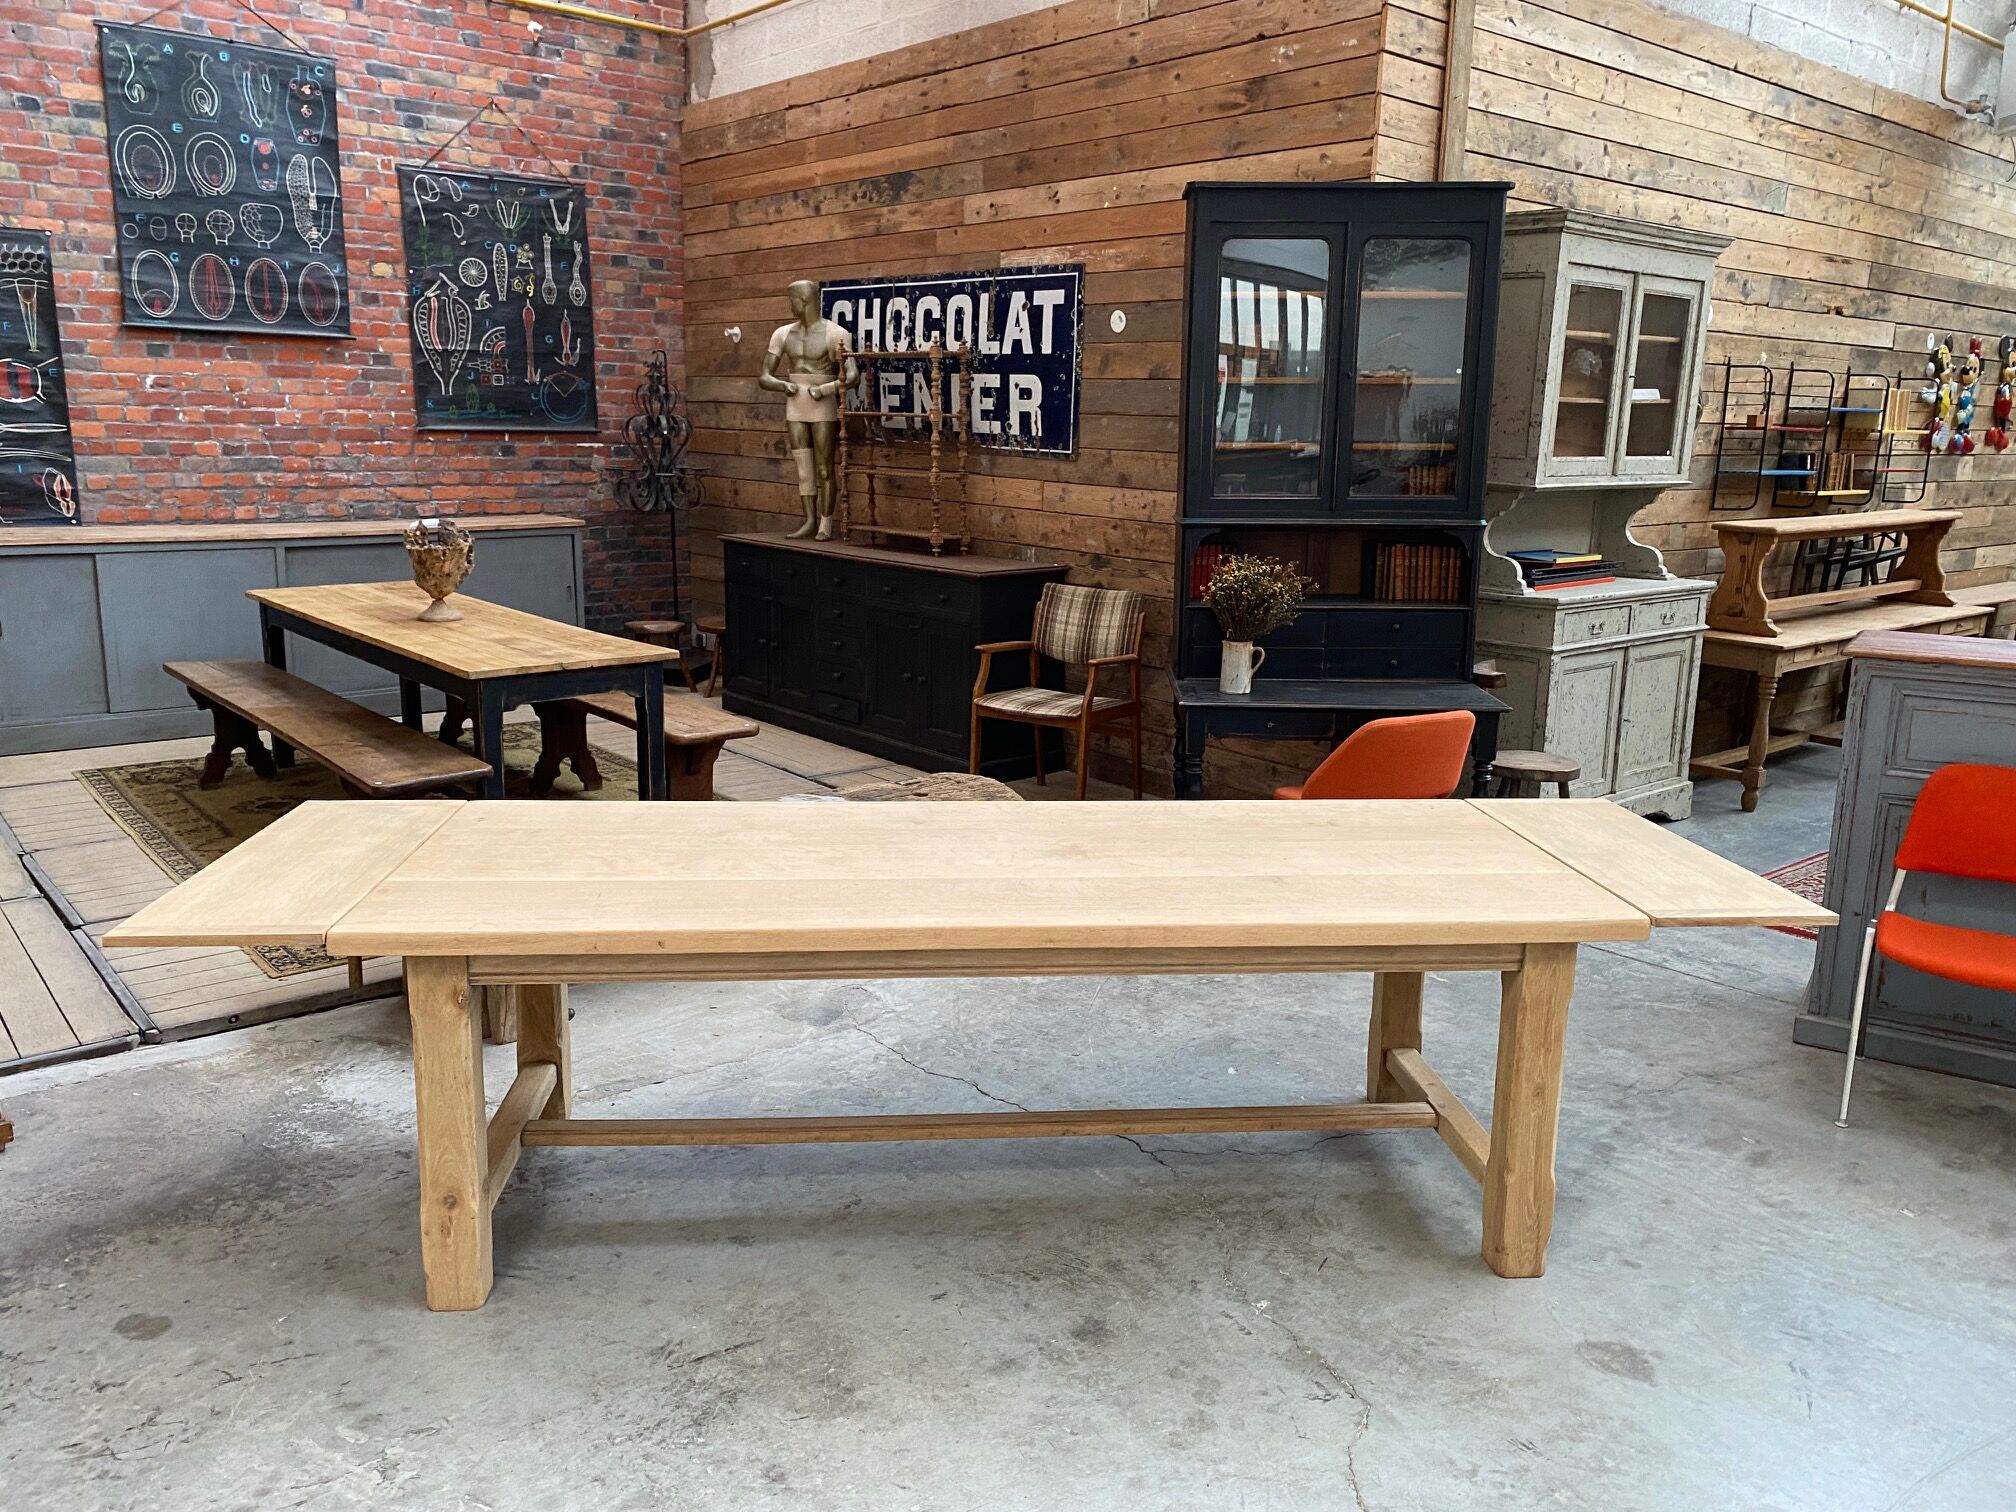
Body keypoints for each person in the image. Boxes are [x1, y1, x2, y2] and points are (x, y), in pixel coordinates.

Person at [759, 279, 857, 540]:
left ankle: (826, 521)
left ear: (804, 300)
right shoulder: (782, 334)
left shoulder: (836, 333)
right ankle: (809, 520)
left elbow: (852, 375)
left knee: (824, 466)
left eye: (791, 299)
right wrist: (782, 385)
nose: (789, 304)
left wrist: (824, 390)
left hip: (820, 401)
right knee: (803, 466)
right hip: (795, 402)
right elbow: (764, 376)